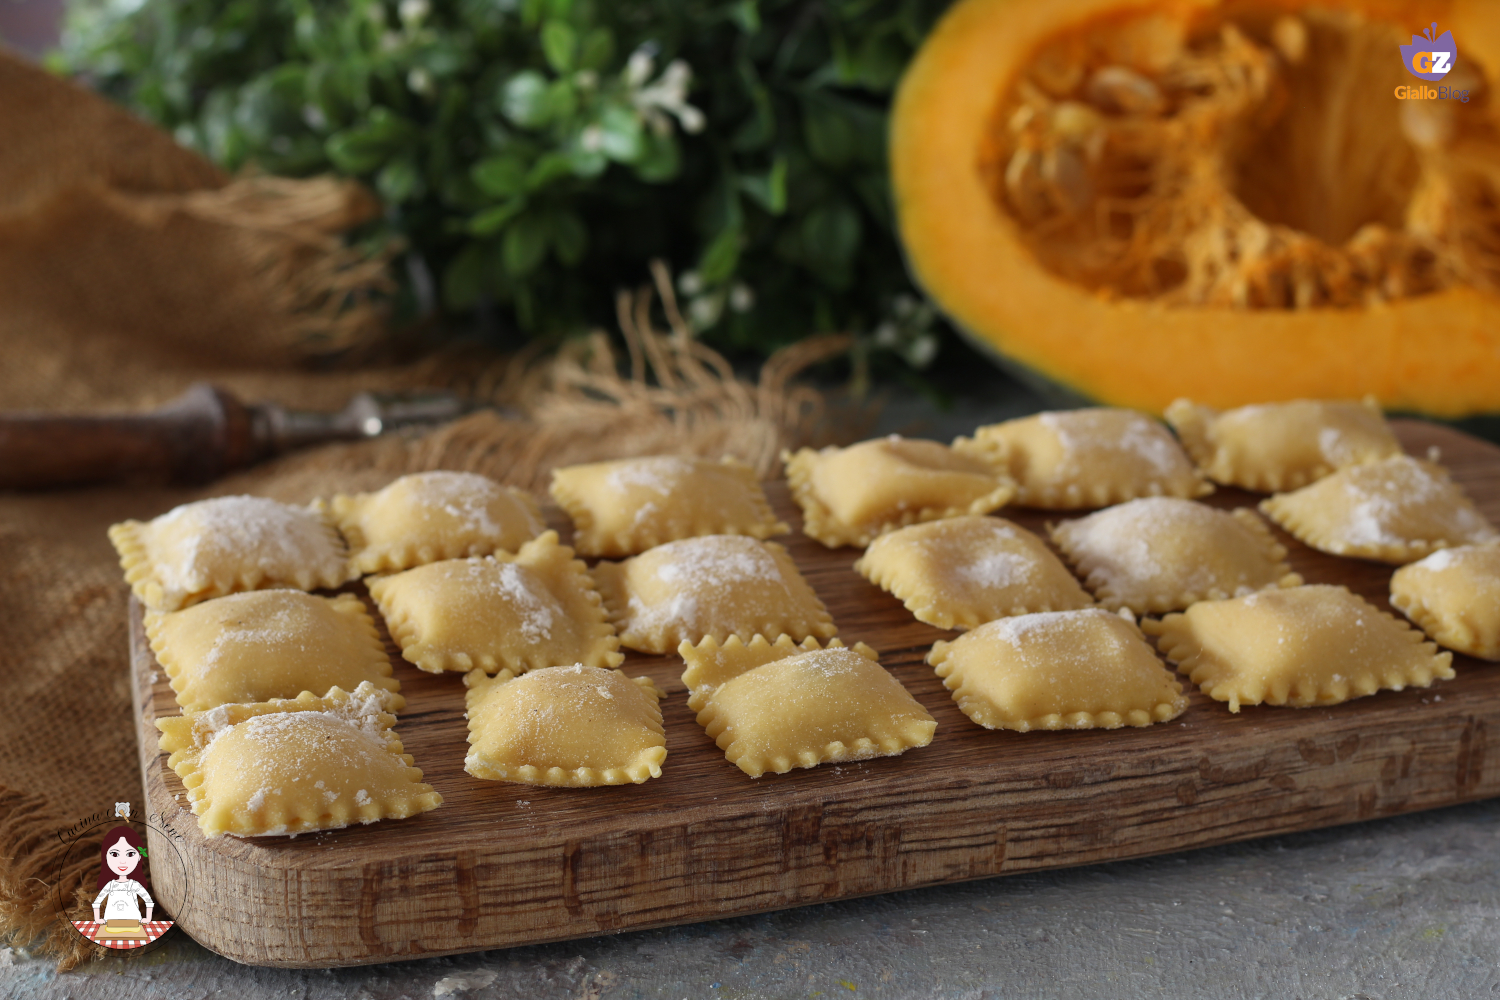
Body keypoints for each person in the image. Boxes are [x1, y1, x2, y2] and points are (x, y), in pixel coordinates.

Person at [90, 825, 154, 937]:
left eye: (130, 854)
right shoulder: (110, 885)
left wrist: (147, 918)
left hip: (133, 923)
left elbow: (148, 901)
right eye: (114, 854)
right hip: (111, 923)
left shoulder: (134, 885)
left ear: (139, 857)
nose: (123, 861)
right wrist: (98, 919)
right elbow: (97, 902)